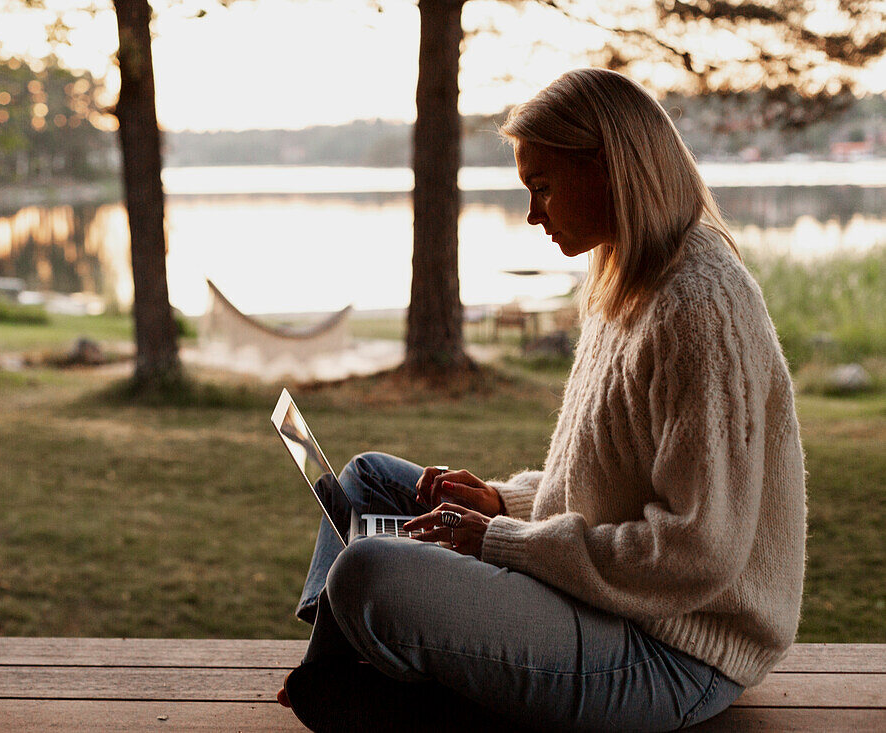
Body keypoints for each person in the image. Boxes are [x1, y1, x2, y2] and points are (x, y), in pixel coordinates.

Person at [277, 68, 807, 732]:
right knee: (365, 481)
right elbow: (608, 479)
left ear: (608, 168)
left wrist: (504, 541)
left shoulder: (698, 306)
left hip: (674, 650)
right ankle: (346, 651)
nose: (533, 214)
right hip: (612, 601)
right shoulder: (629, 277)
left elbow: (697, 550)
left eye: (544, 187)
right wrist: (506, 503)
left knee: (366, 571)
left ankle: (350, 661)